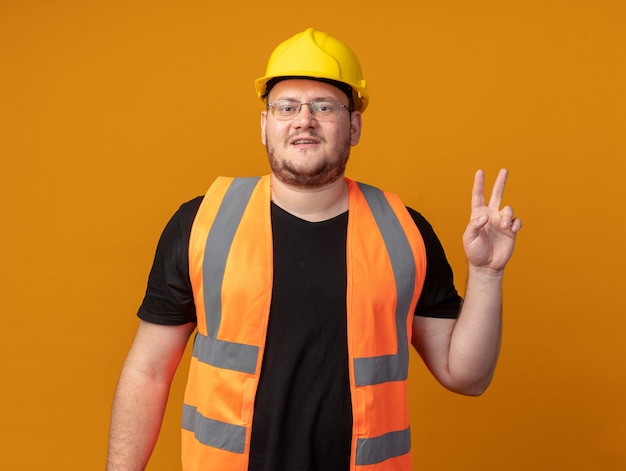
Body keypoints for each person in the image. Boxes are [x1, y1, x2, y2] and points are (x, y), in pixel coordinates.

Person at [106, 27, 522, 471]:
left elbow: (467, 376)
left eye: (324, 106)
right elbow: (147, 372)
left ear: (354, 125)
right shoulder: (202, 223)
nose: (304, 119)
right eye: (286, 107)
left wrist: (487, 274)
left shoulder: (403, 231)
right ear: (265, 125)